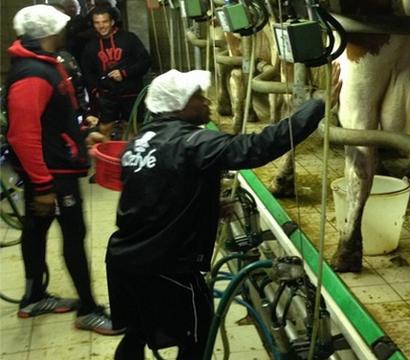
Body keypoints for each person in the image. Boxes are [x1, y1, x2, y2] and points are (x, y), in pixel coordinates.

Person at [105, 69, 340, 359]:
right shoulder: (192, 143)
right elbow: (255, 148)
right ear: (178, 106)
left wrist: (207, 208)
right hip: (166, 268)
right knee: (195, 341)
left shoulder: (144, 138)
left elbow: (155, 193)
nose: (208, 102)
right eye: (198, 97)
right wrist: (317, 106)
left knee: (136, 333)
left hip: (124, 261)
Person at [5, 4, 122, 335]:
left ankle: (34, 297)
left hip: (51, 166)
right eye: (60, 27)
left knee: (36, 229)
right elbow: (22, 135)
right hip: (53, 175)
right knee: (74, 236)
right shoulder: (32, 74)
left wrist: (82, 134)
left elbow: (51, 121)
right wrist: (43, 187)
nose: (64, 31)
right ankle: (88, 309)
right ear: (48, 33)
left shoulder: (45, 65)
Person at [81, 5, 150, 139]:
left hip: (131, 94)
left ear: (112, 22)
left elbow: (145, 62)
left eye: (105, 21)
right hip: (106, 96)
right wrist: (95, 92)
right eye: (97, 23)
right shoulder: (90, 46)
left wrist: (124, 73)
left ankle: (129, 157)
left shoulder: (129, 38)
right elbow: (87, 73)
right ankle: (106, 157)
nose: (101, 26)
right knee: (104, 129)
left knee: (131, 129)